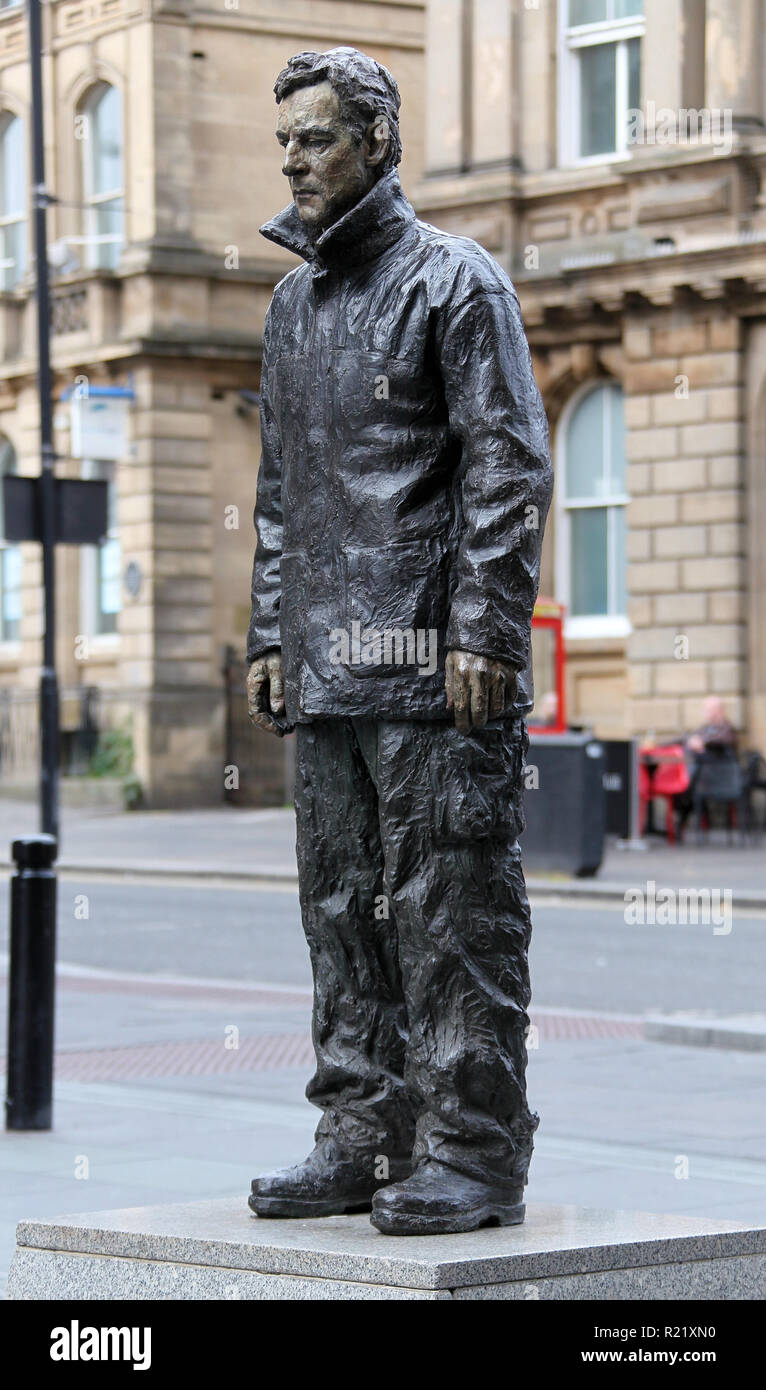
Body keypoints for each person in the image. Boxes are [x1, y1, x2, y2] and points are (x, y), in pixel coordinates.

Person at [245, 47, 553, 1235]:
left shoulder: (454, 281)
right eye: (285, 143)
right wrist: (270, 632)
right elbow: (280, 494)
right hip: (322, 672)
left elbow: (506, 460)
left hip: (432, 671)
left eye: (315, 139)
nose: (294, 160)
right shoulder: (292, 305)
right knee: (340, 908)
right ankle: (361, 1130)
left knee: (449, 910)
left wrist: (482, 626)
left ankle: (474, 1149)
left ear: (376, 140)